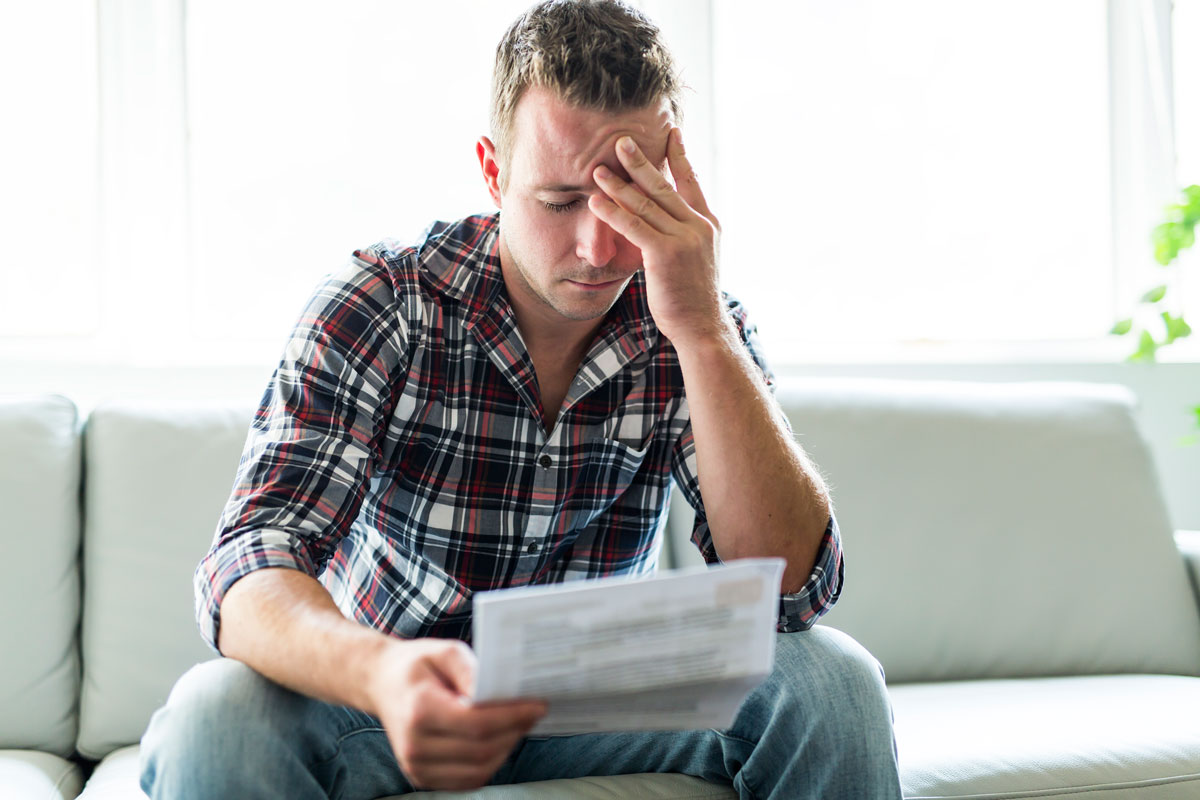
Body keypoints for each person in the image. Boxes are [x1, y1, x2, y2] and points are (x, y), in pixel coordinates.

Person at [139, 1, 902, 798]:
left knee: (833, 681)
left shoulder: (691, 315)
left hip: (601, 692)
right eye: (563, 201)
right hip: (386, 692)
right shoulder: (385, 302)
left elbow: (790, 591)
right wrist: (383, 674)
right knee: (216, 709)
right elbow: (250, 560)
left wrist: (703, 330)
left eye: (629, 199)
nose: (601, 248)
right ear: (493, 171)